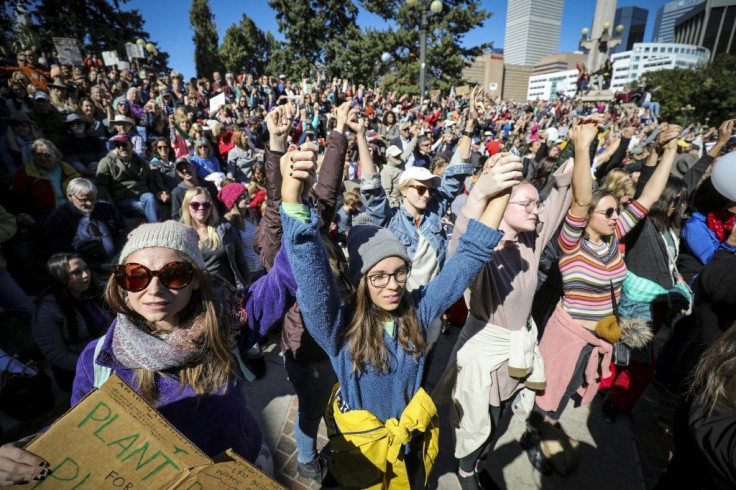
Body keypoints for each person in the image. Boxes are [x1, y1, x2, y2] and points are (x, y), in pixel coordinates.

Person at [279, 136, 520, 489]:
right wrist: (291, 199)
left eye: (400, 273)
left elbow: (467, 258)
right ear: (361, 281)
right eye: (378, 276)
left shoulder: (419, 311)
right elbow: (311, 273)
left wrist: (499, 195)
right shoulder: (338, 328)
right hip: (358, 453)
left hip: (407, 448)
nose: (392, 285)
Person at [0, 218, 301, 484]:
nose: (154, 289)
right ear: (122, 285)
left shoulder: (227, 324)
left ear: (195, 279)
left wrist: (294, 202)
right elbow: (83, 430)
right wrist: (27, 450)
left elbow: (288, 274)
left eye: (173, 274)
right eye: (136, 275)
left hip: (242, 469)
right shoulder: (99, 359)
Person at [524, 118, 681, 471]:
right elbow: (580, 198)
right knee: (550, 394)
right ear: (588, 216)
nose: (616, 215)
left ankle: (542, 428)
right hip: (567, 338)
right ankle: (536, 436)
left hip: (597, 338)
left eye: (617, 211)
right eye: (608, 211)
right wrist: (582, 147)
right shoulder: (571, 244)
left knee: (566, 395)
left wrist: (669, 150)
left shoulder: (612, 238)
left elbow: (650, 197)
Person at [433, 150, 573, 488]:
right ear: (502, 207)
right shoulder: (485, 252)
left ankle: (477, 466)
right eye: (525, 204)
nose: (535, 210)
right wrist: (481, 193)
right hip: (486, 349)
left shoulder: (531, 240)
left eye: (535, 203)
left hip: (516, 350)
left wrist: (579, 145)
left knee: (499, 417)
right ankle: (466, 472)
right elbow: (461, 246)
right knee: (480, 419)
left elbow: (560, 191)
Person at [31, 253, 111, 391]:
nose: (86, 275)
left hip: (111, 356)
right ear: (60, 278)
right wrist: (96, 366)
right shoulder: (48, 311)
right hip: (81, 371)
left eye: (86, 269)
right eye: (77, 272)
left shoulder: (94, 291)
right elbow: (57, 355)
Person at [45, 178, 127, 274]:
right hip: (85, 270)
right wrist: (98, 266)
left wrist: (119, 255)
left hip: (118, 260)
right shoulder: (58, 219)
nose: (90, 203)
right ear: (70, 196)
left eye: (93, 199)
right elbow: (63, 254)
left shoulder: (106, 209)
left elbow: (122, 231)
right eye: (84, 200)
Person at [180, 186, 250, 289]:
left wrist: (247, 287)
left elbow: (240, 259)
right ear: (187, 206)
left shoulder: (225, 228)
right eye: (195, 205)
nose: (201, 208)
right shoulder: (181, 233)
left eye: (206, 204)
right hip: (198, 293)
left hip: (228, 291)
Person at [95, 134, 160, 223]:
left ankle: (155, 225)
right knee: (147, 207)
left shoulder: (142, 163)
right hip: (123, 199)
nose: (121, 148)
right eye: (118, 145)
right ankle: (156, 227)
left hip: (142, 195)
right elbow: (101, 185)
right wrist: (109, 205)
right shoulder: (106, 162)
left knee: (150, 198)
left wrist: (158, 193)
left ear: (132, 145)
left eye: (124, 145)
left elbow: (150, 182)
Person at [217, 182, 265, 281]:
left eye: (247, 195)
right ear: (233, 202)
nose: (247, 198)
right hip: (248, 274)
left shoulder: (253, 217)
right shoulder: (229, 224)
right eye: (242, 197)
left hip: (261, 269)